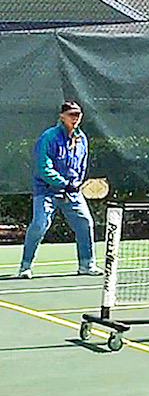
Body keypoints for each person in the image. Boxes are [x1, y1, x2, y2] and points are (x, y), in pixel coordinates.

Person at [17, 101, 102, 278]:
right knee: (39, 225)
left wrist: (76, 183)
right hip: (47, 191)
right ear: (62, 116)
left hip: (72, 192)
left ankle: (87, 265)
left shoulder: (82, 139)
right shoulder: (48, 137)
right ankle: (25, 266)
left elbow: (81, 165)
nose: (75, 118)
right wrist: (63, 183)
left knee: (85, 223)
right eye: (71, 114)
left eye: (78, 114)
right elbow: (44, 167)